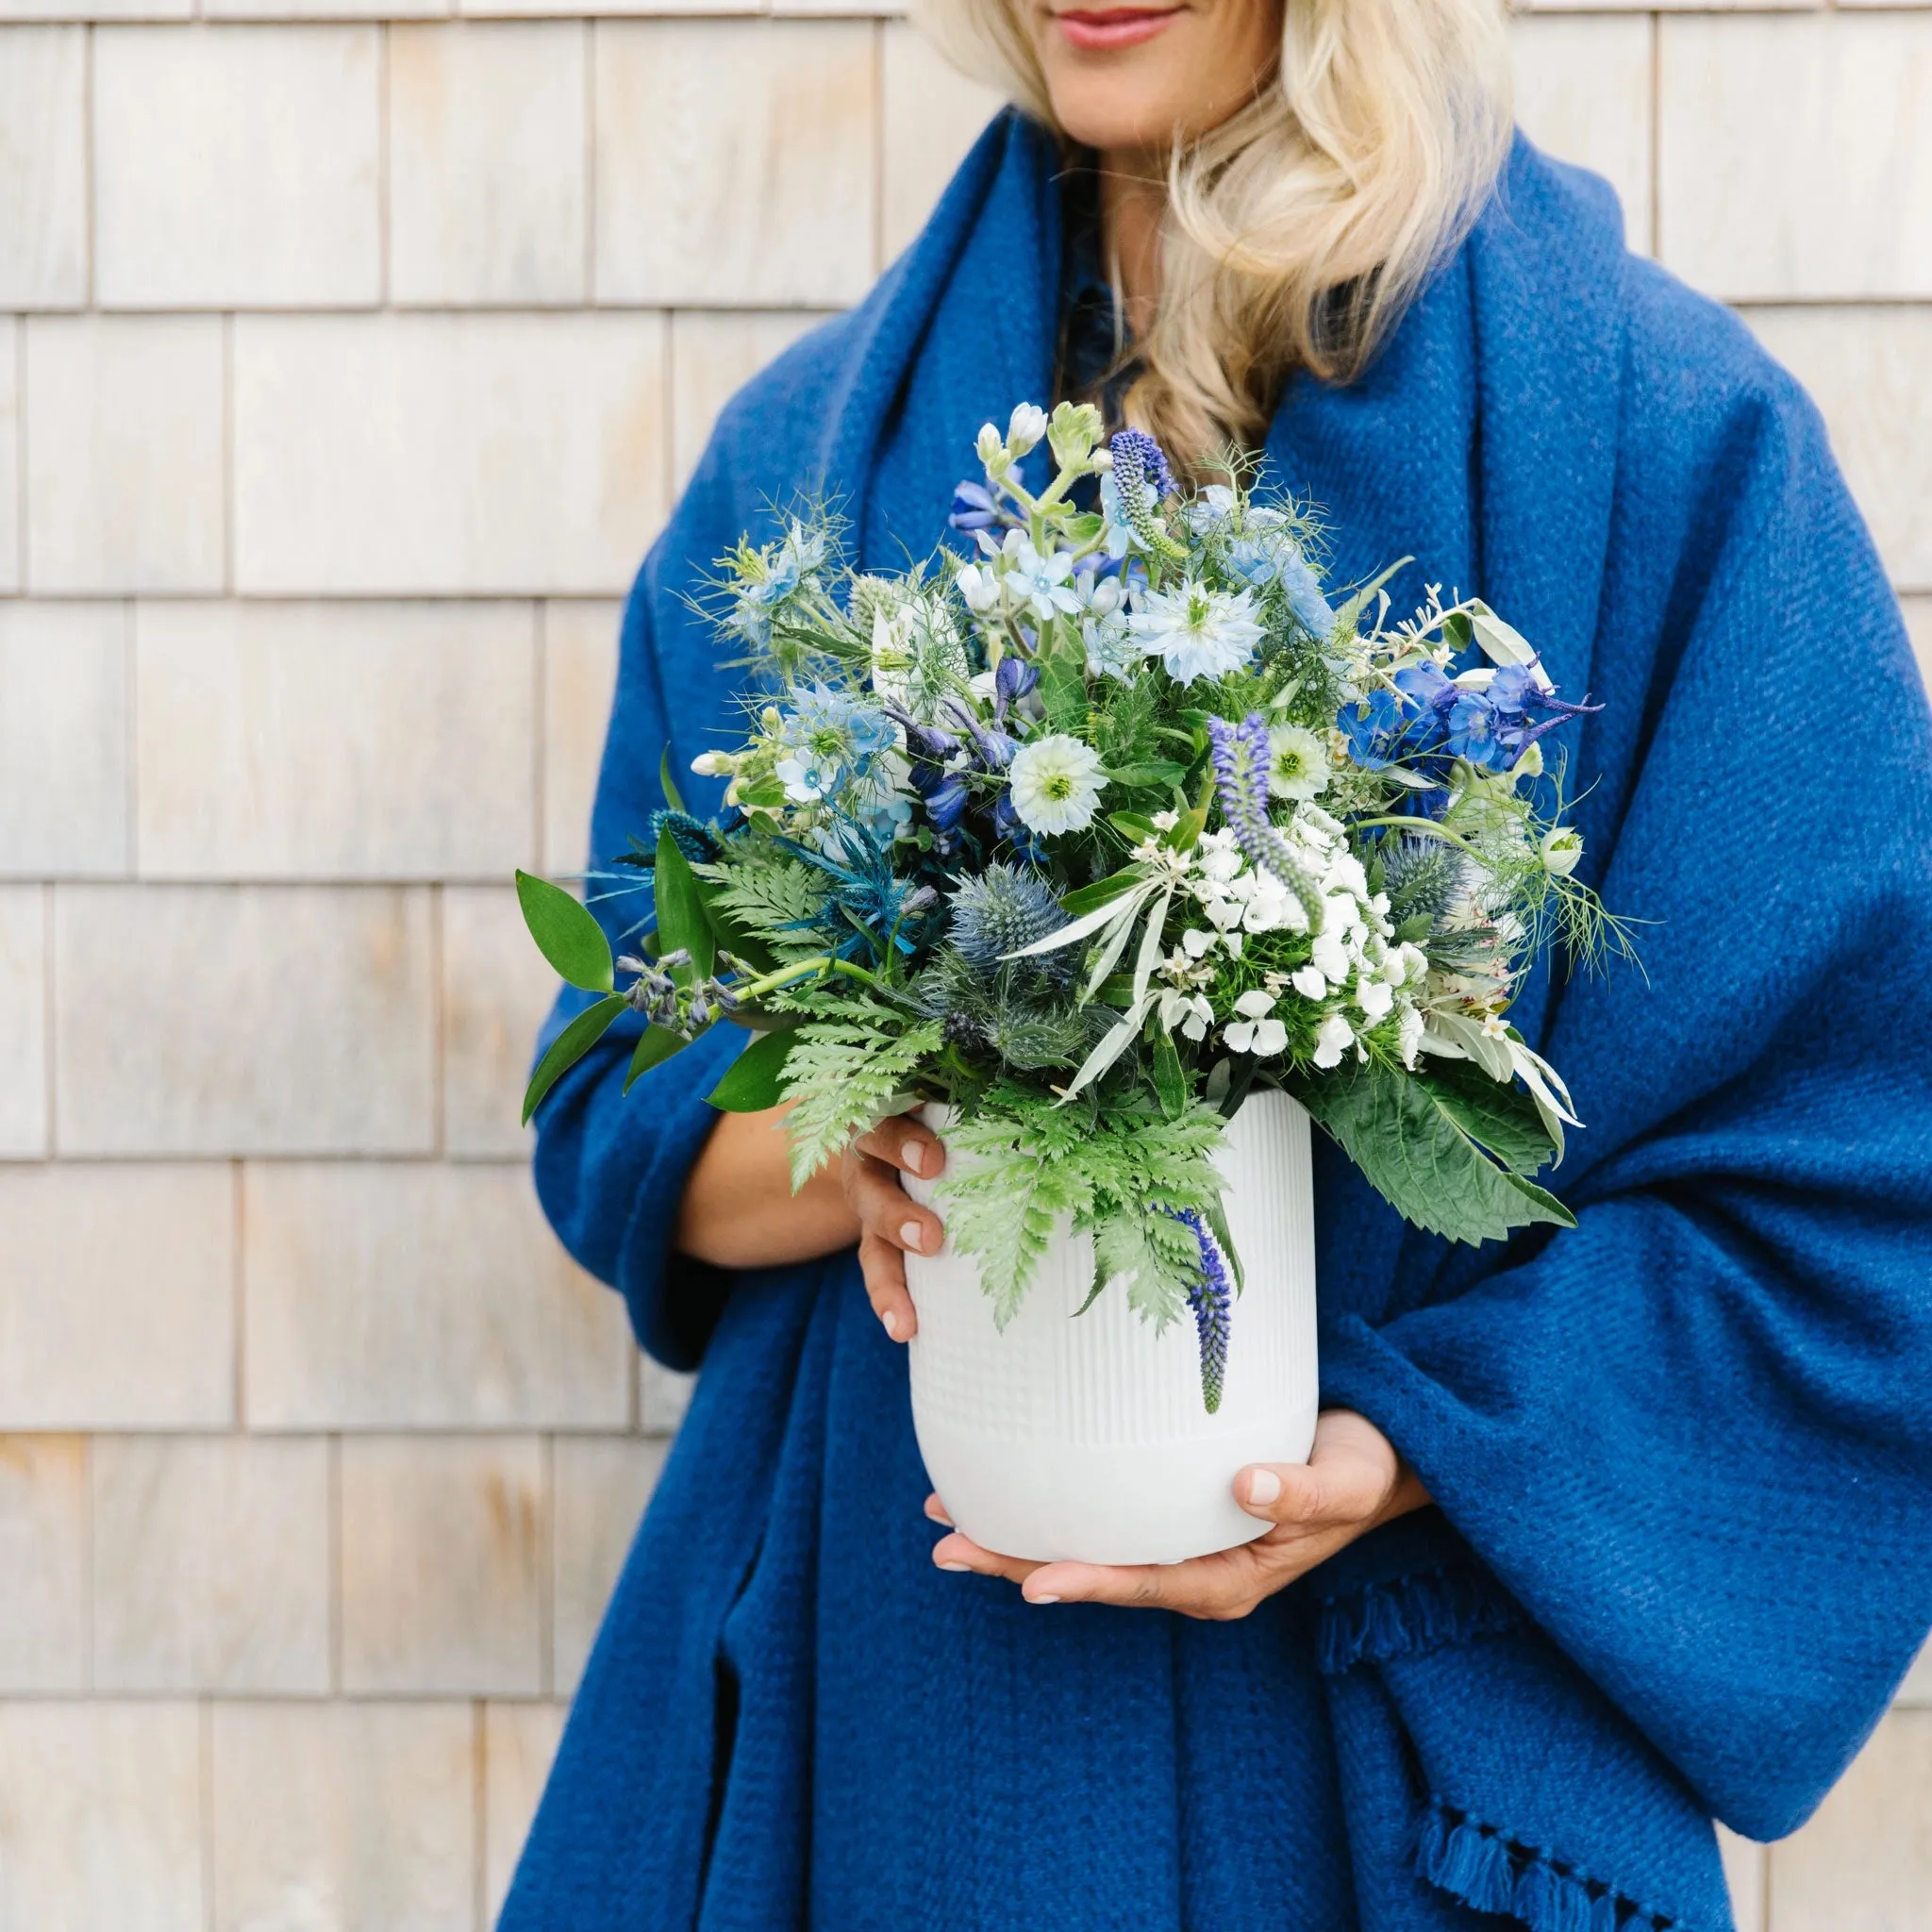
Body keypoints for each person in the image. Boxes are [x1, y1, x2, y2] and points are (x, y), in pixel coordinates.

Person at [502, 2, 1932, 1927]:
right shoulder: (801, 468)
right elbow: (617, 1079)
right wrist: (870, 1135)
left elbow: (1861, 1175)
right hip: (895, 1699)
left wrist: (1425, 1446)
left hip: (1378, 1729)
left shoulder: (1664, 439)